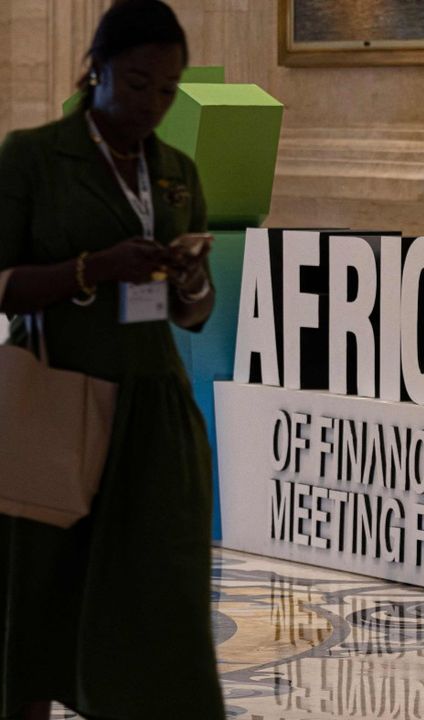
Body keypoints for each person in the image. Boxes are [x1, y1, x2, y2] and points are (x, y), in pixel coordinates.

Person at [0, 1, 224, 717]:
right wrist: (95, 268)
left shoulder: (179, 173)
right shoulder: (34, 157)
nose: (153, 104)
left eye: (167, 90)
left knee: (158, 599)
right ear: (97, 69)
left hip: (152, 408)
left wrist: (190, 280)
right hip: (56, 395)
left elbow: (194, 314)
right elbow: (4, 286)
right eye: (137, 83)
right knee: (36, 598)